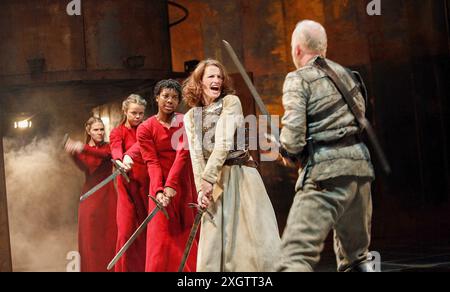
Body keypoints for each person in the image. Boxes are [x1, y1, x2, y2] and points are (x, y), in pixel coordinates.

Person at [276, 20, 376, 272]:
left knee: (295, 258)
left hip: (325, 173)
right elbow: (362, 119)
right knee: (357, 259)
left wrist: (287, 152)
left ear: (297, 49)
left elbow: (293, 135)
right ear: (324, 47)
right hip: (360, 171)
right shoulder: (347, 75)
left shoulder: (298, 78)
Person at [183, 59, 280, 272]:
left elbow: (224, 141)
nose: (216, 80)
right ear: (199, 82)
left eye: (219, 76)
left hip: (240, 175)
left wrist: (208, 178)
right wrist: (201, 188)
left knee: (248, 236)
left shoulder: (231, 102)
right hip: (215, 182)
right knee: (216, 237)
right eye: (211, 76)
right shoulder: (191, 116)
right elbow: (196, 155)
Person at [136, 79, 198, 272]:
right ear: (157, 98)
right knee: (161, 238)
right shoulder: (145, 128)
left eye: (174, 97)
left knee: (187, 233)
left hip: (182, 184)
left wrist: (171, 185)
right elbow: (152, 163)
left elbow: (183, 154)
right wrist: (159, 190)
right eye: (165, 96)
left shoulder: (185, 122)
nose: (170, 101)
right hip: (160, 188)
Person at [64, 117, 117, 272]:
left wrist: (81, 147)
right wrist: (73, 153)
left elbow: (107, 155)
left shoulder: (108, 147)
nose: (100, 132)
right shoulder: (84, 149)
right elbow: (84, 167)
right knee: (90, 239)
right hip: (90, 197)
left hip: (109, 197)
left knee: (110, 236)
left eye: (102, 129)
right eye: (96, 130)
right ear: (88, 131)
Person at [109, 94, 149, 272]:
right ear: (125, 111)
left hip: (146, 184)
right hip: (127, 185)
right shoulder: (117, 132)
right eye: (133, 113)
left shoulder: (147, 129)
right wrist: (119, 161)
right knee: (125, 231)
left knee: (147, 232)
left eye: (141, 113)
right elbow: (116, 148)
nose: (137, 117)